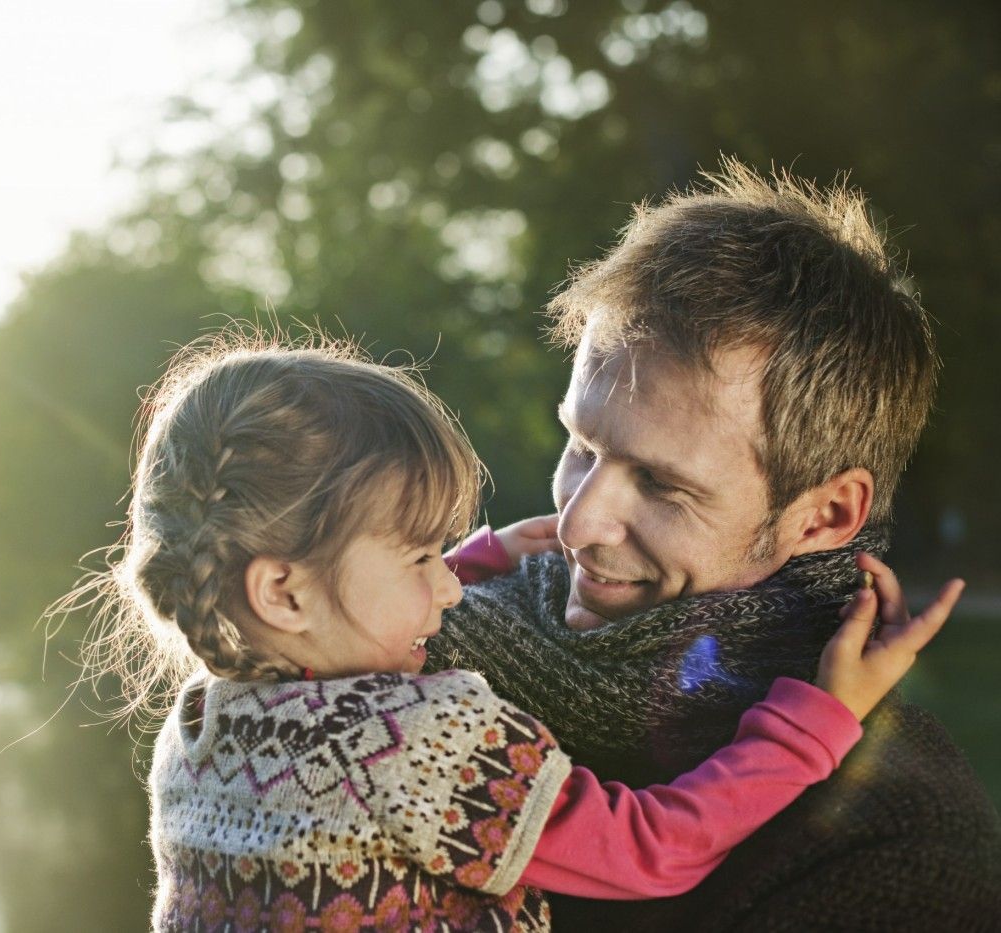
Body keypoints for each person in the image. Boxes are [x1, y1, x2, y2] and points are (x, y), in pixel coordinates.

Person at [69, 330, 961, 931]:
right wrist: (818, 715)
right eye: (423, 557)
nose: (449, 592)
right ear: (283, 593)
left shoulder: (200, 734)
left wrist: (487, 551)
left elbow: (362, 590)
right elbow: (654, 846)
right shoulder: (413, 743)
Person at [427, 159, 1001, 930]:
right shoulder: (416, 646)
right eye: (581, 447)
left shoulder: (886, 835)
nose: (576, 524)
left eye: (662, 485)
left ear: (826, 515)